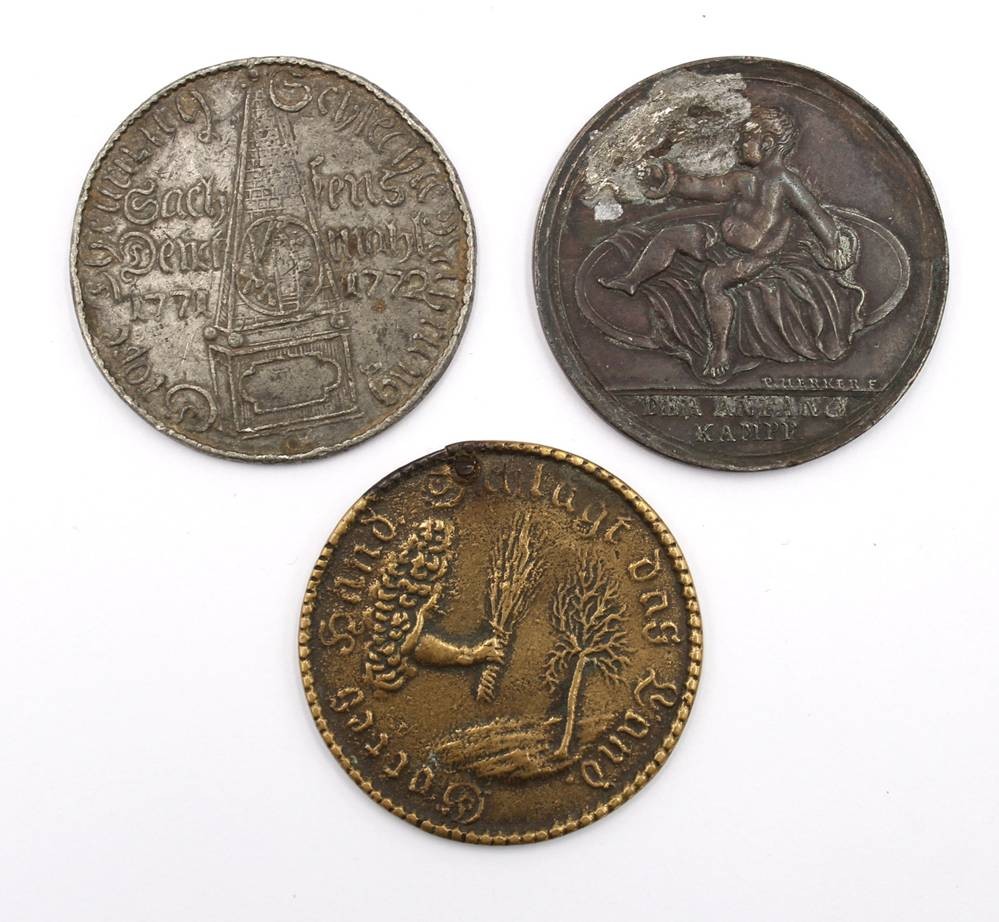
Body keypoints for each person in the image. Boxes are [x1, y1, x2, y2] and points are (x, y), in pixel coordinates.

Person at [600, 106, 856, 378]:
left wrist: (833, 245)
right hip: (720, 243)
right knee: (672, 235)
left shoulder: (785, 183)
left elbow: (815, 214)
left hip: (754, 258)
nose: (739, 144)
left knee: (712, 280)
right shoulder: (743, 179)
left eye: (746, 139)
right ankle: (631, 280)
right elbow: (704, 187)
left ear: (767, 144)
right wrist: (669, 181)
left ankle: (720, 350)